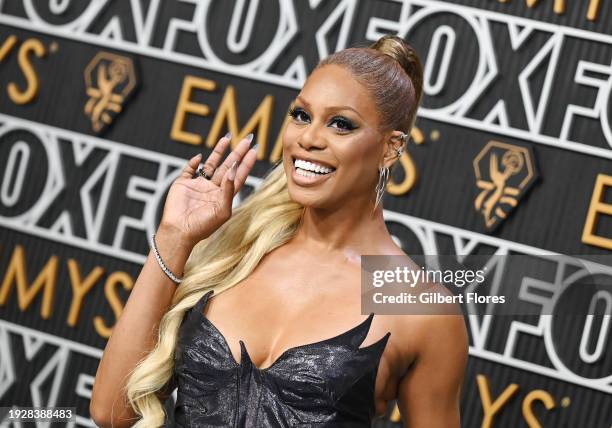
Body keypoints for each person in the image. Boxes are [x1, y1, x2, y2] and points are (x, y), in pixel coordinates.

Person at [90, 34, 468, 428]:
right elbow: (111, 412)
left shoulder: (421, 309)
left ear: (391, 149)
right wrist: (174, 238)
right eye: (301, 115)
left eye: (340, 124)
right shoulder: (235, 251)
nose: (308, 138)